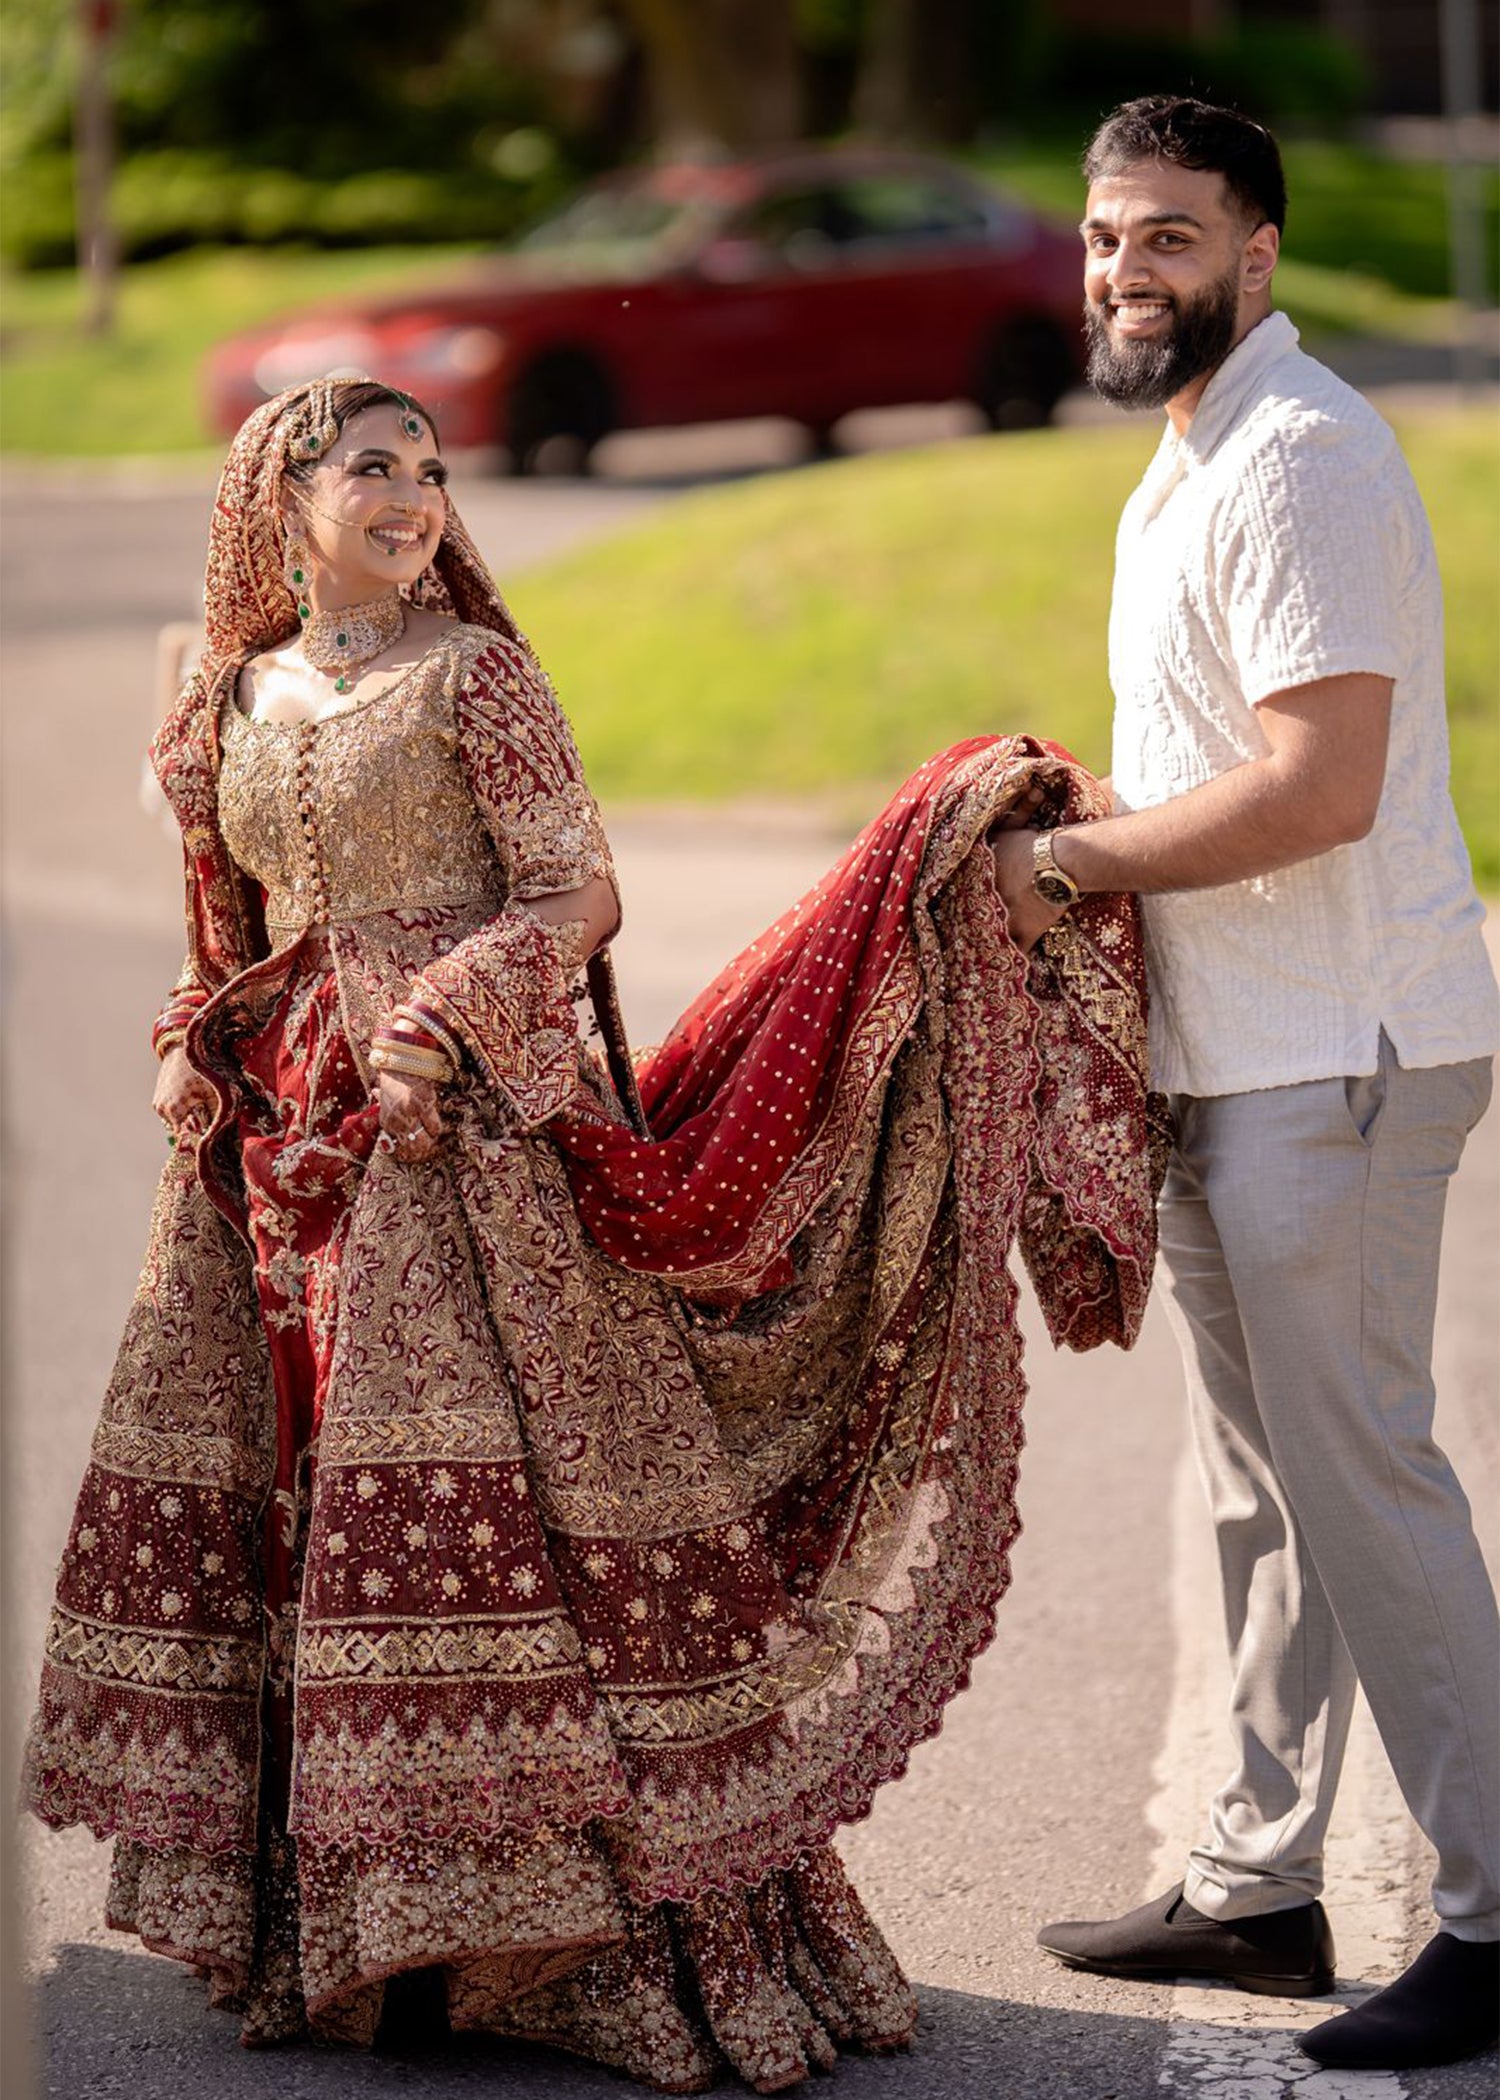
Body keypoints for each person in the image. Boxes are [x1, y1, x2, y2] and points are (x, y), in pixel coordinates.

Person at [25, 377, 1165, 2089]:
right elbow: (221, 931)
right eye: (373, 470)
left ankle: (577, 1944)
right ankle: (354, 1942)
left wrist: (445, 1012)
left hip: (464, 1145)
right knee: (316, 1510)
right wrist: (197, 1059)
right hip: (286, 1154)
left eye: (428, 468)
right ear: (283, 498)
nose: (414, 498)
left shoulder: (479, 677)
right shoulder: (215, 707)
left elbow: (578, 891)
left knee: (501, 1518)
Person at [988, 97, 1500, 2073]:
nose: (1129, 271)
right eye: (1110, 237)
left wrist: (1073, 862)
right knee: (1264, 1485)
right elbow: (1213, 757)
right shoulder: (1182, 465)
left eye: (1173, 240)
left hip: (1343, 1062)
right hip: (1233, 1056)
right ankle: (1256, 1885)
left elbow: (1322, 788)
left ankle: (1493, 1909)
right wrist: (1071, 815)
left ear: (1259, 257)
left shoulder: (1300, 459)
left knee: (1366, 1481)